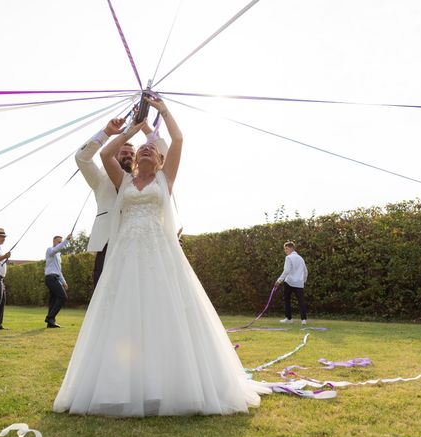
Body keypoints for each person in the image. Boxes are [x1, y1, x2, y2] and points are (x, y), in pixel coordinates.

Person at [53, 98, 270, 417]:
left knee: (163, 309)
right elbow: (105, 154)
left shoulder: (164, 180)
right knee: (124, 311)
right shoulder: (123, 180)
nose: (144, 150)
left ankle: (169, 385)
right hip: (125, 253)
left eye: (150, 149)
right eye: (141, 149)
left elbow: (179, 139)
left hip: (158, 251)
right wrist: (134, 128)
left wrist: (163, 112)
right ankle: (122, 385)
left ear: (160, 159)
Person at [75, 117, 168, 288]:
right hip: (107, 242)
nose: (129, 156)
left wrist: (147, 128)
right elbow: (81, 157)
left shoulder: (149, 182)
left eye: (132, 154)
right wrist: (107, 133)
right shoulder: (99, 179)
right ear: (114, 153)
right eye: (124, 152)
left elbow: (165, 154)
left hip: (142, 242)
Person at [275, 241, 308, 325]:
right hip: (299, 283)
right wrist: (303, 281)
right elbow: (305, 271)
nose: (285, 250)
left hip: (289, 282)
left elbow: (286, 270)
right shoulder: (301, 258)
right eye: (285, 249)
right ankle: (303, 320)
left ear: (291, 248)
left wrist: (279, 280)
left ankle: (289, 318)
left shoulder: (288, 257)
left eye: (287, 248)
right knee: (301, 301)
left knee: (287, 300)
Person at [44, 233, 73, 328]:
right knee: (62, 297)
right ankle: (50, 318)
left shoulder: (58, 255)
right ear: (54, 241)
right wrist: (66, 240)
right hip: (50, 278)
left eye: (61, 242)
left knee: (53, 300)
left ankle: (50, 323)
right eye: (59, 242)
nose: (60, 243)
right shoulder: (50, 250)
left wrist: (63, 281)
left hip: (55, 278)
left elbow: (58, 270)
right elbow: (56, 249)